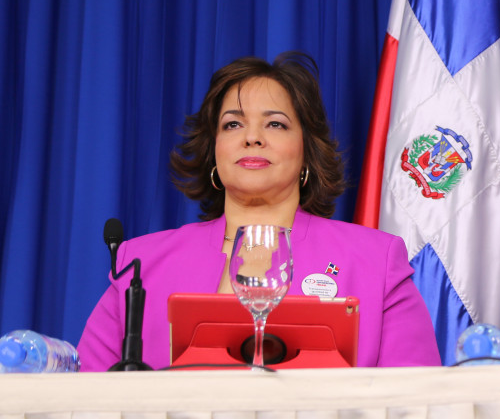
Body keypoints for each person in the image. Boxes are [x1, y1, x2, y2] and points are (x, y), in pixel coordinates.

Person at [78, 53, 441, 370]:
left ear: (307, 152)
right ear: (214, 150)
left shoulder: (376, 261)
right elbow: (86, 399)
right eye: (233, 124)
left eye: (275, 124)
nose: (252, 137)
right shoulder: (140, 266)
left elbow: (416, 404)